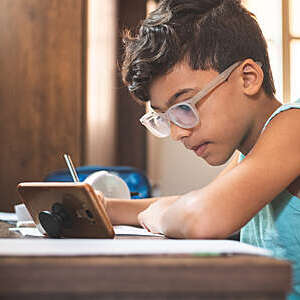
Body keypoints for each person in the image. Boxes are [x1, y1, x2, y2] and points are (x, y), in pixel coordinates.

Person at [100, 0, 300, 298]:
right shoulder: (253, 150)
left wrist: (156, 216)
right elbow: (201, 202)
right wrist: (106, 209)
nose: (179, 133)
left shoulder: (294, 125)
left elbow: (205, 216)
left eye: (185, 106)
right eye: (165, 117)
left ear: (248, 78)